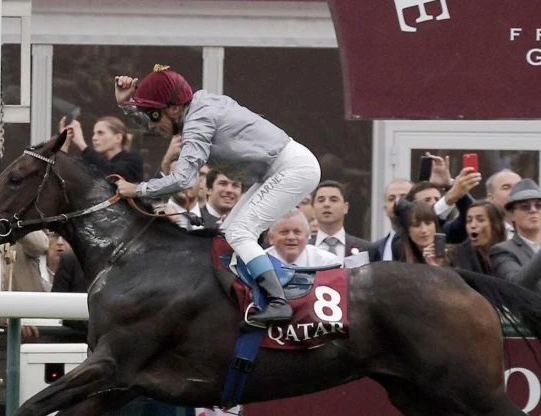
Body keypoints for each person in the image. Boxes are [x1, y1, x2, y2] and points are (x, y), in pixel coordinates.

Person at [112, 67, 319, 327]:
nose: (151, 125)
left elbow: (184, 179)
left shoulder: (199, 119)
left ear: (174, 108)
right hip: (281, 168)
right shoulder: (192, 110)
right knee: (228, 233)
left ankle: (279, 303)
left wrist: (138, 189)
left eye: (153, 115)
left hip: (292, 169)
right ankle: (242, 299)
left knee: (239, 233)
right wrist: (126, 106)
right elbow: (165, 126)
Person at [62, 115, 144, 182]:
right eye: (94, 134)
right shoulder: (93, 161)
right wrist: (64, 143)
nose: (94, 138)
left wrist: (82, 145)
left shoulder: (133, 160)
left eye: (100, 133)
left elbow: (112, 173)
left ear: (118, 138)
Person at [308, 180, 371, 258]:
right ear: (313, 209)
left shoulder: (366, 249)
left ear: (345, 207)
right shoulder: (303, 249)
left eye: (333, 200)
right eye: (321, 200)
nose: (326, 204)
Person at [372, 198, 444, 266]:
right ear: (408, 230)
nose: (424, 230)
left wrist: (435, 265)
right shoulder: (400, 257)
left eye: (428, 223)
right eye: (416, 225)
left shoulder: (451, 255)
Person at [448, 200, 506, 275]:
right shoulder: (455, 255)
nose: (473, 225)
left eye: (480, 220)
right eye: (469, 221)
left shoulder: (509, 253)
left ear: (495, 226)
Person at [265, 211, 340, 267]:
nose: (291, 237)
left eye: (297, 232)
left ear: (307, 237)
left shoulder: (327, 263)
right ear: (271, 238)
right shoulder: (258, 264)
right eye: (284, 232)